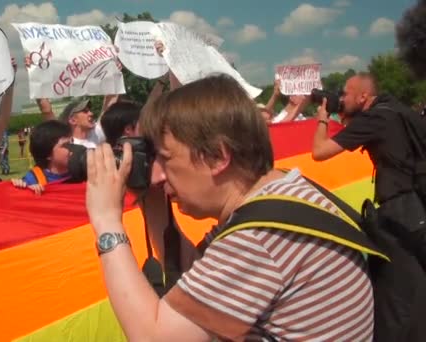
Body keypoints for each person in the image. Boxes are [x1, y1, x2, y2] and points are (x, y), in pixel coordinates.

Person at [84, 74, 374, 340]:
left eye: (165, 158)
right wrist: (154, 204)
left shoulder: (259, 238)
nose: (158, 175)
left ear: (218, 157)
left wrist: (107, 221)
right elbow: (194, 272)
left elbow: (154, 337)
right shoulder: (281, 192)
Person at [312, 73, 426, 259]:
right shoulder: (396, 109)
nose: (342, 99)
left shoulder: (373, 119)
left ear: (362, 96)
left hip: (401, 210)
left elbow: (319, 151)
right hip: (419, 198)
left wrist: (323, 119)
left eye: (345, 94)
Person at [12, 120, 73, 195]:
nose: (73, 148)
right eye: (66, 145)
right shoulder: (33, 180)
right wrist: (28, 192)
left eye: (72, 142)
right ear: (48, 154)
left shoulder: (82, 172)